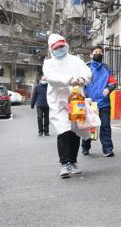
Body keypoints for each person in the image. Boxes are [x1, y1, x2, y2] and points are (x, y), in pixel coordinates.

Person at [43, 34, 92, 179]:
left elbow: (87, 72)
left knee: (75, 131)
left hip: (76, 100)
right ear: (51, 49)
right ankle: (64, 163)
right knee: (63, 131)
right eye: (56, 47)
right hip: (58, 102)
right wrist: (70, 80)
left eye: (61, 46)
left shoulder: (76, 60)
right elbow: (52, 79)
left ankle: (73, 161)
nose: (59, 49)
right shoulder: (49, 63)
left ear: (66, 45)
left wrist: (83, 79)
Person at [82, 45, 117, 156]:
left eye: (100, 52)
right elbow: (81, 83)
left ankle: (108, 149)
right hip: (89, 102)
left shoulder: (107, 68)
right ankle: (85, 147)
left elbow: (112, 82)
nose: (98, 54)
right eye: (96, 52)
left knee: (105, 127)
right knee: (88, 126)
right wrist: (83, 96)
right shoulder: (85, 68)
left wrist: (109, 88)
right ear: (91, 55)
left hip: (104, 103)